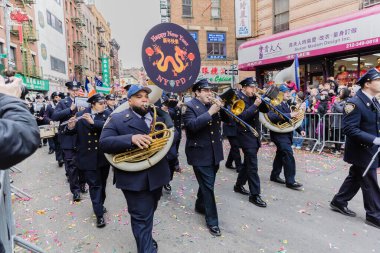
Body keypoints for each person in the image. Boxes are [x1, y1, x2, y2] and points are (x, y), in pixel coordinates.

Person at [100, 84, 170, 252]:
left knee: (149, 212)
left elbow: (171, 137)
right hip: (134, 179)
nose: (144, 99)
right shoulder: (116, 118)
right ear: (129, 100)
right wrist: (130, 138)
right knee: (141, 218)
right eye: (139, 96)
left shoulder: (158, 117)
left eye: (146, 96)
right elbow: (104, 143)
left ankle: (146, 237)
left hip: (157, 175)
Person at [330, 68, 380, 229]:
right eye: (378, 80)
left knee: (357, 176)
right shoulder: (354, 103)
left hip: (370, 149)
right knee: (369, 180)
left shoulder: (374, 100)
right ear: (367, 83)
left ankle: (339, 201)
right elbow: (350, 129)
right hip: (362, 149)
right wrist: (374, 139)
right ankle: (374, 214)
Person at [183, 79, 227, 236]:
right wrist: (210, 112)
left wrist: (223, 109)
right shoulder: (189, 107)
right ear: (197, 92)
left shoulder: (212, 105)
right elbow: (192, 126)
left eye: (211, 90)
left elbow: (227, 121)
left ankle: (199, 204)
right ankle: (212, 221)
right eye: (206, 90)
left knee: (208, 183)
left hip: (214, 152)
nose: (210, 93)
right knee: (208, 187)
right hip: (199, 153)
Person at [67, 94, 110, 228]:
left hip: (103, 157)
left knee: (102, 185)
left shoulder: (107, 114)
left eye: (104, 103)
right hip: (87, 157)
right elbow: (67, 133)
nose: (104, 105)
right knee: (94, 186)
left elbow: (110, 128)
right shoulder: (81, 114)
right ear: (93, 104)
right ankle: (99, 215)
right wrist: (71, 126)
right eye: (101, 103)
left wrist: (93, 123)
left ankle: (100, 204)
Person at [233, 77, 269, 208]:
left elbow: (266, 110)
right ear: (243, 87)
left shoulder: (254, 98)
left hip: (254, 136)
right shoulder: (238, 99)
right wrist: (255, 105)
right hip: (245, 136)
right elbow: (241, 118)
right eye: (251, 87)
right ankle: (255, 195)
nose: (254, 90)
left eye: (255, 87)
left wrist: (262, 100)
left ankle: (238, 185)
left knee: (248, 163)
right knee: (253, 165)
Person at [51, 81, 87, 202]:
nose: (75, 92)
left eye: (77, 90)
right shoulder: (63, 102)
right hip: (68, 138)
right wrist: (69, 109)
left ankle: (82, 184)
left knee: (82, 164)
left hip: (81, 137)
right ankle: (75, 191)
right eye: (73, 90)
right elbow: (54, 117)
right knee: (71, 166)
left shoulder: (84, 101)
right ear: (69, 90)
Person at [268, 84, 305, 190]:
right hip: (278, 134)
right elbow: (272, 116)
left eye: (289, 92)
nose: (289, 94)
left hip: (286, 134)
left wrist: (300, 129)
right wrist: (290, 115)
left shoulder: (287, 103)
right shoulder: (274, 102)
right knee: (288, 154)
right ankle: (290, 181)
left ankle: (274, 176)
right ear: (279, 93)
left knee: (280, 154)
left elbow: (294, 119)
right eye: (286, 92)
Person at [43, 92, 64, 166]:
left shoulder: (64, 105)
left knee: (64, 144)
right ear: (53, 98)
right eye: (56, 97)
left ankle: (65, 157)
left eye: (59, 97)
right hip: (55, 127)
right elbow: (45, 116)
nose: (58, 98)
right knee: (57, 144)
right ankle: (59, 159)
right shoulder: (49, 106)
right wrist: (50, 121)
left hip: (64, 127)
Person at [330, 88, 350, 155]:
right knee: (335, 136)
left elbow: (342, 110)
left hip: (340, 122)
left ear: (345, 93)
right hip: (334, 121)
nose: (339, 93)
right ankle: (336, 149)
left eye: (341, 92)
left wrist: (335, 103)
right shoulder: (339, 101)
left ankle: (338, 150)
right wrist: (335, 103)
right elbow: (332, 110)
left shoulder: (347, 101)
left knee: (338, 137)